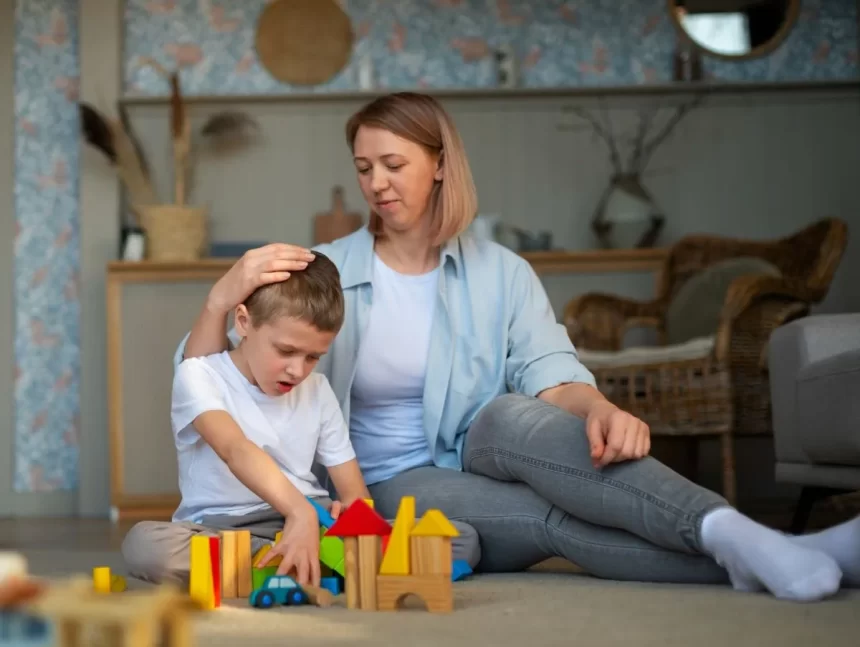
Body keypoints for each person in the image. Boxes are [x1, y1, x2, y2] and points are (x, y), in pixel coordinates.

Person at [149, 92, 858, 602]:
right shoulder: (323, 266)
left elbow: (552, 372)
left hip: (485, 441)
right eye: (364, 167)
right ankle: (767, 551)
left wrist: (598, 406)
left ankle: (733, 529)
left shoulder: (500, 271)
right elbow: (215, 368)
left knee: (517, 415)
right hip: (394, 477)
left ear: (438, 163)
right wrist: (220, 296)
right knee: (551, 517)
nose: (376, 183)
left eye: (393, 163)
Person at [121, 251, 481, 587]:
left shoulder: (318, 390)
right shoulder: (198, 375)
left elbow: (353, 489)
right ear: (244, 322)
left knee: (462, 539)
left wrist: (354, 520)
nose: (297, 370)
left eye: (312, 357)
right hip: (226, 527)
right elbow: (234, 449)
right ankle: (315, 565)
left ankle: (298, 564)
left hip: (315, 518)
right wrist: (298, 513)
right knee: (146, 545)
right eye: (286, 351)